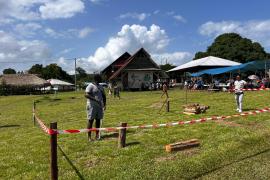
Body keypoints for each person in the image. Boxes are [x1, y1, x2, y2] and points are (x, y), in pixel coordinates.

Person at [85, 74, 106, 141]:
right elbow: (86, 95)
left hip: (99, 106)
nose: (101, 79)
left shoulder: (101, 86)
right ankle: (89, 137)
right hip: (91, 106)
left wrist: (105, 104)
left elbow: (104, 96)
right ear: (97, 79)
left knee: (98, 120)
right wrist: (95, 99)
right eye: (100, 78)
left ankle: (97, 135)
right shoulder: (90, 86)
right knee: (90, 120)